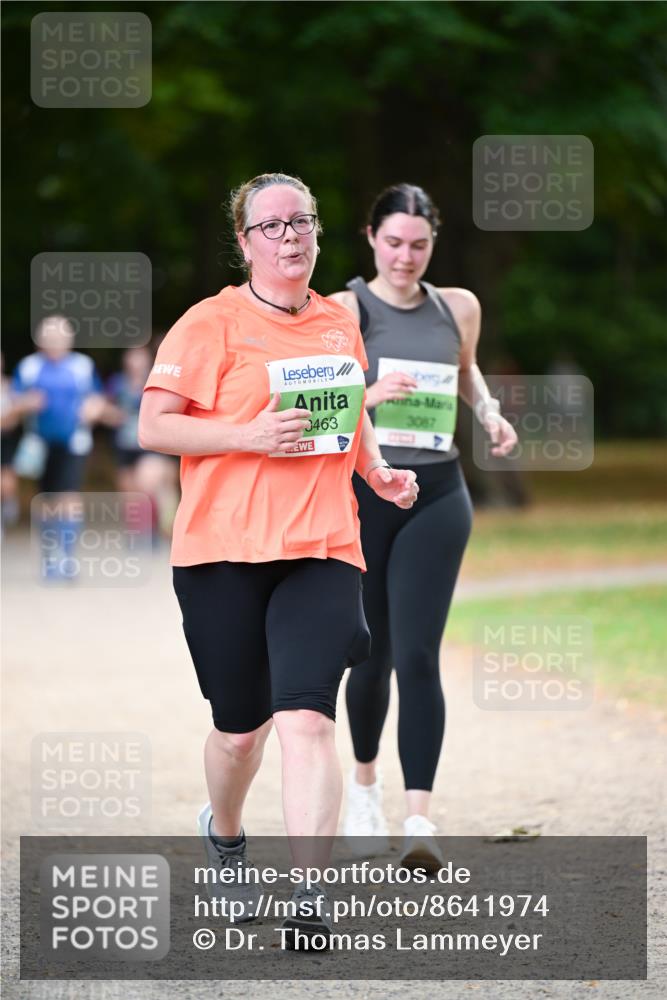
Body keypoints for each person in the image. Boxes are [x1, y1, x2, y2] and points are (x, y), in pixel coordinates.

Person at [137, 172, 418, 940]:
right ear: (244, 242)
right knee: (239, 730)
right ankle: (226, 836)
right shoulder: (209, 323)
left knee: (305, 718)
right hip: (221, 549)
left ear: (319, 233)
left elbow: (348, 415)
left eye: (301, 222)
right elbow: (154, 427)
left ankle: (308, 898)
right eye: (272, 225)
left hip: (322, 544)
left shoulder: (338, 322)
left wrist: (378, 470)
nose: (290, 235)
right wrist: (242, 435)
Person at [329, 183, 517, 870]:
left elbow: (466, 374)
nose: (405, 256)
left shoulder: (457, 306)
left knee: (417, 656)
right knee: (369, 654)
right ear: (370, 239)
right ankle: (363, 787)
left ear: (432, 242)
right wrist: (367, 395)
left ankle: (417, 820)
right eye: (393, 242)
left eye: (419, 243)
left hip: (438, 494)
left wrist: (490, 412)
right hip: (368, 493)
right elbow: (319, 401)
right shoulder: (345, 308)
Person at [11, 316, 106, 578]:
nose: (54, 342)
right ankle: (49, 557)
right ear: (40, 340)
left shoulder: (82, 366)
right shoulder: (28, 367)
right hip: (39, 444)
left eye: (60, 337)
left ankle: (67, 558)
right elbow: (14, 402)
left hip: (74, 442)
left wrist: (93, 409)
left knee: (69, 498)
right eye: (49, 337)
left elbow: (97, 398)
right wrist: (25, 403)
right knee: (44, 501)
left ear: (69, 340)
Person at [105, 345, 179, 546]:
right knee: (131, 492)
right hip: (124, 445)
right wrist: (112, 415)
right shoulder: (117, 383)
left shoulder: (157, 380)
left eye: (139, 358)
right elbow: (106, 408)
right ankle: (140, 533)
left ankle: (159, 531)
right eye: (132, 358)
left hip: (150, 445)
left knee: (147, 481)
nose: (135, 363)